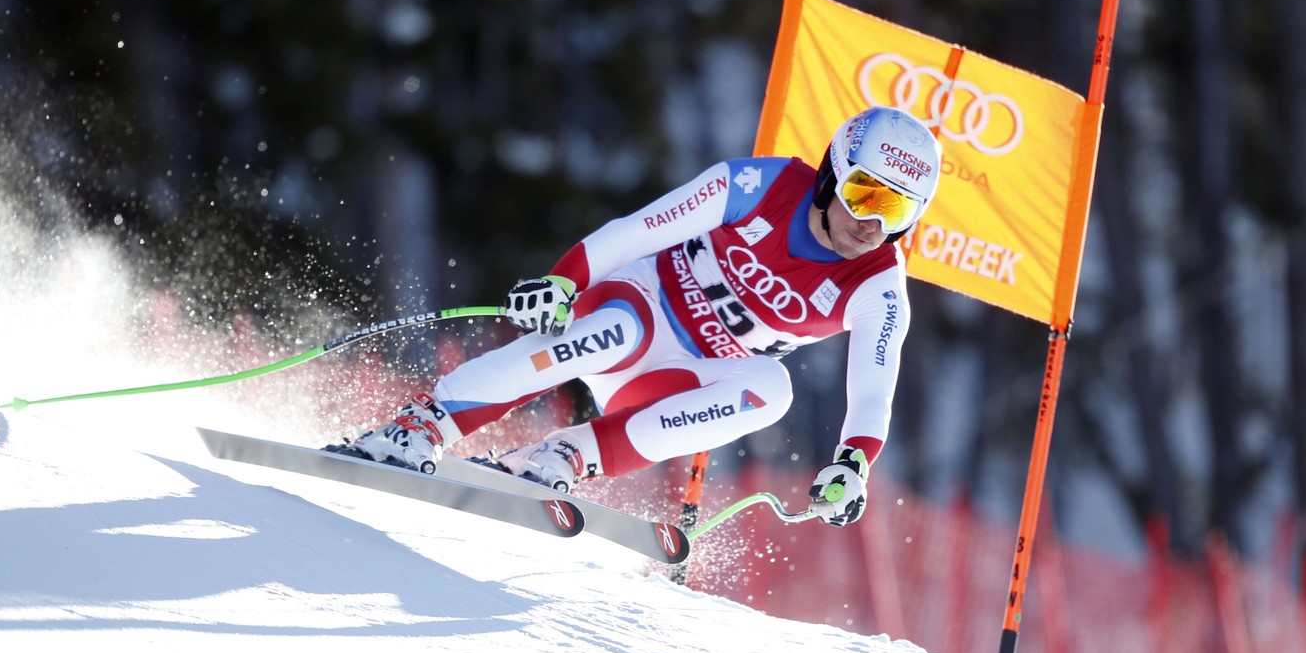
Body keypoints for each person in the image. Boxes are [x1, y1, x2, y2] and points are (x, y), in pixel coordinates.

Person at [331, 105, 942, 527]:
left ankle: (563, 457)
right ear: (834, 173)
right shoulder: (761, 184)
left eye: (898, 209)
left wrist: (852, 463)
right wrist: (563, 281)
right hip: (636, 309)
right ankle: (423, 427)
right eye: (866, 194)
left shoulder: (879, 283)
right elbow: (636, 231)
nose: (873, 224)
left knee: (771, 389)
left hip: (675, 377)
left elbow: (873, 386)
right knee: (613, 331)